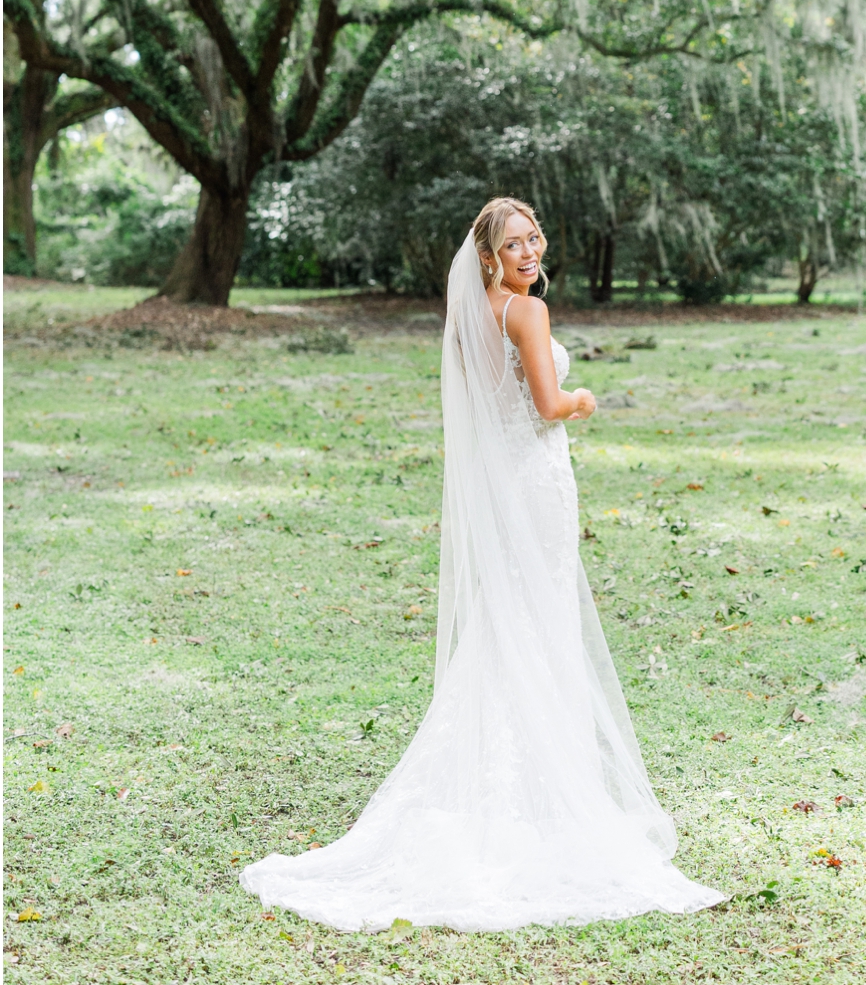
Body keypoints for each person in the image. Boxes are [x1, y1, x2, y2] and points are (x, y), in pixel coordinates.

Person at [241, 197, 722, 931]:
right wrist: (586, 397)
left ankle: (503, 787)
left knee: (510, 626)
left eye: (533, 238)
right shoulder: (526, 313)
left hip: (510, 489)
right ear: (489, 255)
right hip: (537, 480)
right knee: (541, 622)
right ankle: (542, 797)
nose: (529, 251)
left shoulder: (475, 313)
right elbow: (548, 402)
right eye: (513, 243)